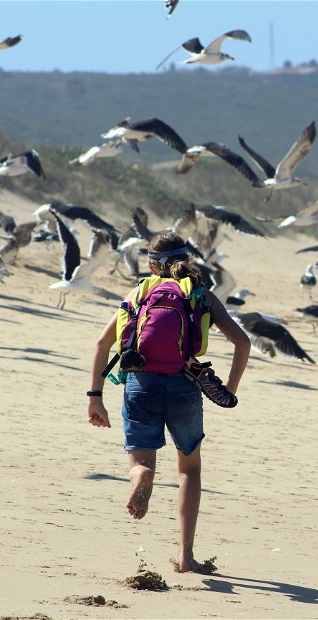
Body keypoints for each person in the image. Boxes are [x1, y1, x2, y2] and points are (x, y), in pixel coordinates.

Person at [87, 231, 251, 573]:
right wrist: (230, 389)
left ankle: (142, 476)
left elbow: (103, 344)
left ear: (151, 264)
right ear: (186, 259)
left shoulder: (141, 291)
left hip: (139, 382)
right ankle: (186, 555)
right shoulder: (201, 294)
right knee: (189, 469)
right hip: (184, 385)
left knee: (141, 459)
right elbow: (243, 343)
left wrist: (95, 397)